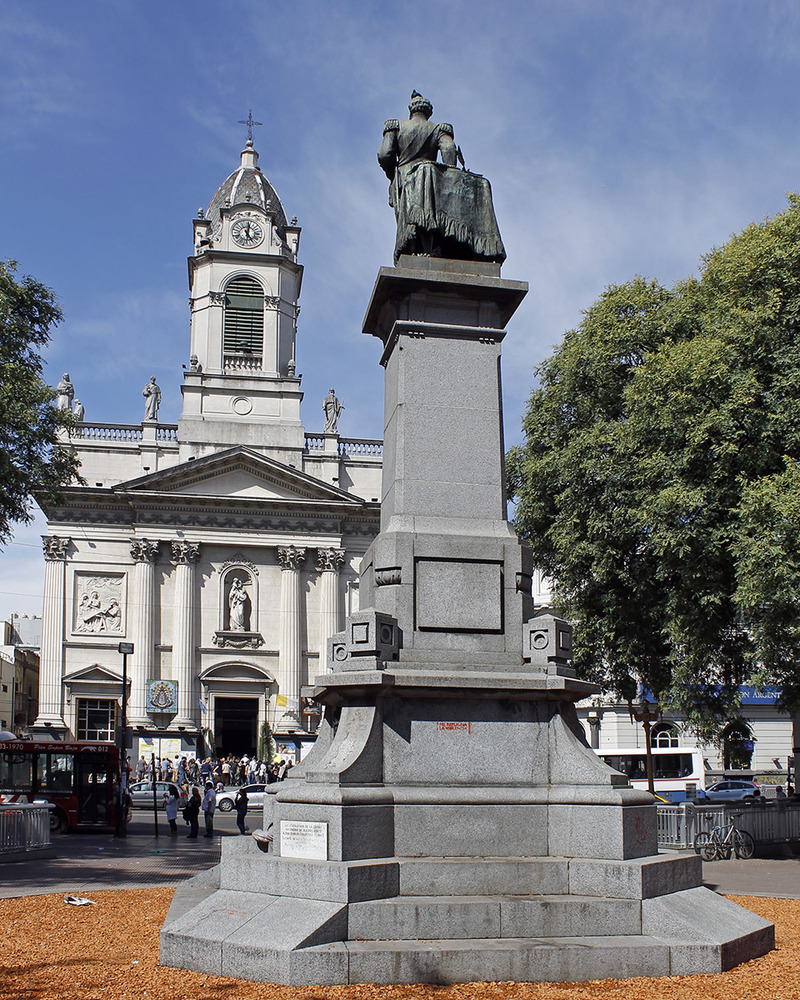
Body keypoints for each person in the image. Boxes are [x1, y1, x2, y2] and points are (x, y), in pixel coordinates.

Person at [378, 91, 506, 266]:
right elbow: (449, 152)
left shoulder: (396, 127)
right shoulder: (439, 129)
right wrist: (449, 176)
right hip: (431, 177)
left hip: (408, 179)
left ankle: (421, 249)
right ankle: (479, 248)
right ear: (428, 112)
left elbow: (385, 155)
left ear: (411, 111)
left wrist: (393, 175)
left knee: (419, 200)